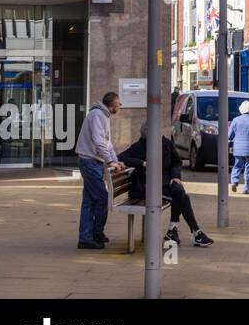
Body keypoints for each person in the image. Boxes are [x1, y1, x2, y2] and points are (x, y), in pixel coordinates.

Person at [119, 123, 214, 248]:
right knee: (182, 197)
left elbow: (176, 162)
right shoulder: (138, 147)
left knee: (179, 190)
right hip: (149, 187)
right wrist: (142, 163)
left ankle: (174, 230)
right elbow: (120, 157)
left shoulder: (166, 143)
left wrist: (175, 176)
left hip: (168, 182)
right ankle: (193, 232)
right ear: (146, 137)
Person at [75, 92, 125, 250]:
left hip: (92, 161)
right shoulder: (98, 115)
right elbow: (99, 141)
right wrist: (110, 161)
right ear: (112, 105)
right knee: (102, 198)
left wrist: (115, 161)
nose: (120, 106)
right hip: (89, 162)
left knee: (89, 201)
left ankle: (88, 236)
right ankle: (92, 234)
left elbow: (107, 144)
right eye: (119, 104)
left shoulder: (103, 115)